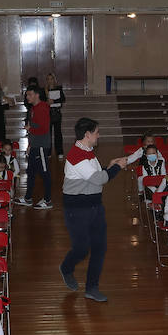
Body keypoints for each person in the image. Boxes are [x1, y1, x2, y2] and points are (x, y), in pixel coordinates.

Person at [58, 117, 132, 303]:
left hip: (94, 206)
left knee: (100, 247)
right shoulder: (76, 155)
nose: (100, 135)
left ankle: (92, 288)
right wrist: (116, 167)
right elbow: (99, 180)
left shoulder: (88, 151)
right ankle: (66, 268)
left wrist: (110, 165)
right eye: (97, 132)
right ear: (87, 134)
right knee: (82, 249)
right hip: (77, 209)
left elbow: (95, 175)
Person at [18, 86, 53, 209]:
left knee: (45, 173)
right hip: (35, 146)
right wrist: (30, 145)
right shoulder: (33, 108)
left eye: (29, 95)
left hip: (41, 146)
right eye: (27, 95)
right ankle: (27, 198)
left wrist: (30, 129)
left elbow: (43, 129)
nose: (27, 97)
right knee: (31, 172)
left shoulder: (42, 108)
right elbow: (34, 128)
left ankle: (48, 201)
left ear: (37, 95)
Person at [45, 72, 66, 159]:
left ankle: (59, 151)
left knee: (58, 133)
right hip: (47, 113)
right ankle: (48, 152)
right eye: (48, 79)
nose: (50, 81)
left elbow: (63, 99)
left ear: (54, 80)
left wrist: (54, 101)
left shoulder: (58, 89)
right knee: (48, 134)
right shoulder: (44, 90)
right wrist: (47, 102)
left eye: (52, 79)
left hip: (56, 112)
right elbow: (41, 101)